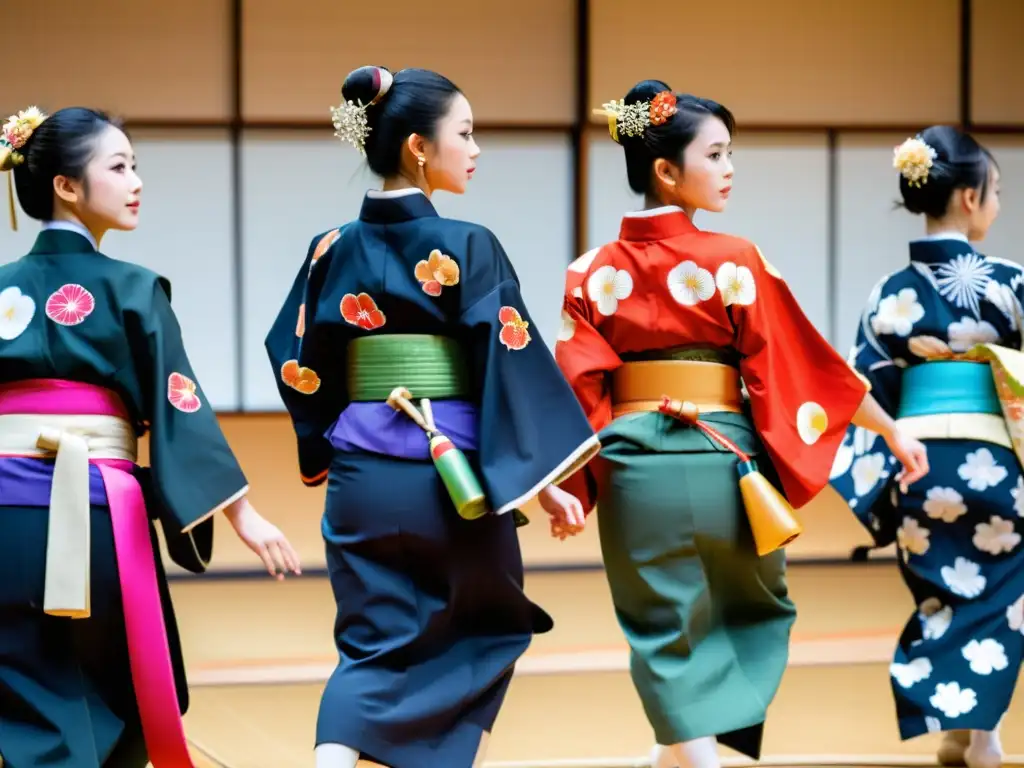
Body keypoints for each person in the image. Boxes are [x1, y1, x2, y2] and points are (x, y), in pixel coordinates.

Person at [553, 80, 930, 768]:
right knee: (754, 607)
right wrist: (891, 429)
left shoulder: (588, 271)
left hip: (632, 465)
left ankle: (680, 750)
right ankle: (699, 756)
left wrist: (567, 488)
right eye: (717, 154)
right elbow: (801, 365)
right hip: (728, 461)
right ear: (667, 171)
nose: (730, 169)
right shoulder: (734, 259)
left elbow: (577, 388)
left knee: (660, 622)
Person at [265, 65, 599, 768]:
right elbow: (506, 368)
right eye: (466, 133)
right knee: (482, 626)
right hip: (452, 484)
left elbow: (295, 357)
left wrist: (333, 435)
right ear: (419, 146)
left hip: (358, 476)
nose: (476, 149)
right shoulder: (469, 244)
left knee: (369, 641)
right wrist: (542, 483)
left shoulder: (330, 248)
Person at [0, 106, 301, 768]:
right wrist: (242, 512)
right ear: (66, 186)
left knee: (20, 694)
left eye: (136, 165)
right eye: (118, 166)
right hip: (97, 516)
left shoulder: (2, 290)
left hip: (4, 518)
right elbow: (178, 405)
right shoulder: (134, 290)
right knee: (107, 692)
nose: (136, 181)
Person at [830, 125, 1019, 768]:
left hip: (918, 464)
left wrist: (877, 470)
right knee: (999, 597)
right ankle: (984, 737)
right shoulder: (1012, 284)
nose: (997, 203)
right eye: (995, 191)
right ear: (968, 198)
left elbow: (865, 387)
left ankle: (957, 729)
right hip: (998, 465)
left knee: (941, 592)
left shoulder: (888, 292)